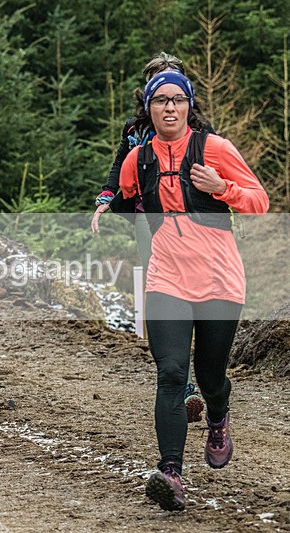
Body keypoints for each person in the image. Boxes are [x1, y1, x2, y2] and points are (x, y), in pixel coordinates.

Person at [114, 69, 268, 511]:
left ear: (188, 106)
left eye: (177, 100)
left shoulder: (215, 148)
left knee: (210, 375)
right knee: (171, 373)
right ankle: (171, 473)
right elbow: (124, 194)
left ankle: (218, 415)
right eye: (160, 101)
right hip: (167, 279)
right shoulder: (137, 159)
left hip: (219, 279)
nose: (169, 108)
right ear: (149, 109)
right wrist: (110, 205)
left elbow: (260, 200)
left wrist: (223, 188)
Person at [90, 52, 209, 423]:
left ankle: (196, 364)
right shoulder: (133, 129)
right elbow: (119, 164)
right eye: (158, 84)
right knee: (161, 287)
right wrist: (107, 197)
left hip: (192, 219)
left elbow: (219, 167)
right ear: (146, 92)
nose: (167, 94)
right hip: (147, 214)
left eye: (174, 84)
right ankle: (180, 379)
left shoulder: (200, 127)